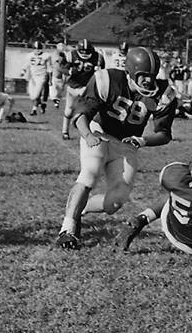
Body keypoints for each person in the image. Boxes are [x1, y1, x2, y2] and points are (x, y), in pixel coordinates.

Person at [54, 46, 177, 249]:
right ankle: (67, 229)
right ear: (130, 72)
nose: (148, 80)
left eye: (152, 75)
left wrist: (143, 140)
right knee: (90, 173)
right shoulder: (108, 79)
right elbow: (81, 114)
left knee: (115, 203)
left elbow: (164, 134)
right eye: (143, 75)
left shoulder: (164, 93)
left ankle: (80, 210)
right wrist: (88, 135)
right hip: (99, 131)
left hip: (127, 143)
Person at [61, 38, 105, 140]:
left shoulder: (97, 57)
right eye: (82, 51)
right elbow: (62, 69)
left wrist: (98, 72)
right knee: (69, 111)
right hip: (73, 86)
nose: (85, 53)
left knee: (88, 111)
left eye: (87, 51)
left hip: (88, 87)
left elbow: (102, 72)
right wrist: (70, 71)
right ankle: (65, 131)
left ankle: (87, 131)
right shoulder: (71, 56)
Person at [20, 41, 52, 116]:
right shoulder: (29, 55)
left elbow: (49, 68)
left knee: (36, 95)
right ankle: (41, 104)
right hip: (33, 77)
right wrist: (23, 71)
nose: (37, 50)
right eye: (35, 48)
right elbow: (26, 64)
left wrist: (50, 80)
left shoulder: (46, 56)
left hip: (41, 76)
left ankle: (34, 109)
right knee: (32, 96)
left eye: (39, 48)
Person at [48, 40, 71, 110]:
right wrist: (50, 80)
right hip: (54, 78)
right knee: (53, 93)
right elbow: (50, 70)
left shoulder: (65, 63)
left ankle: (57, 102)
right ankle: (56, 102)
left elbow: (67, 72)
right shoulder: (54, 62)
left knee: (59, 93)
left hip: (61, 79)